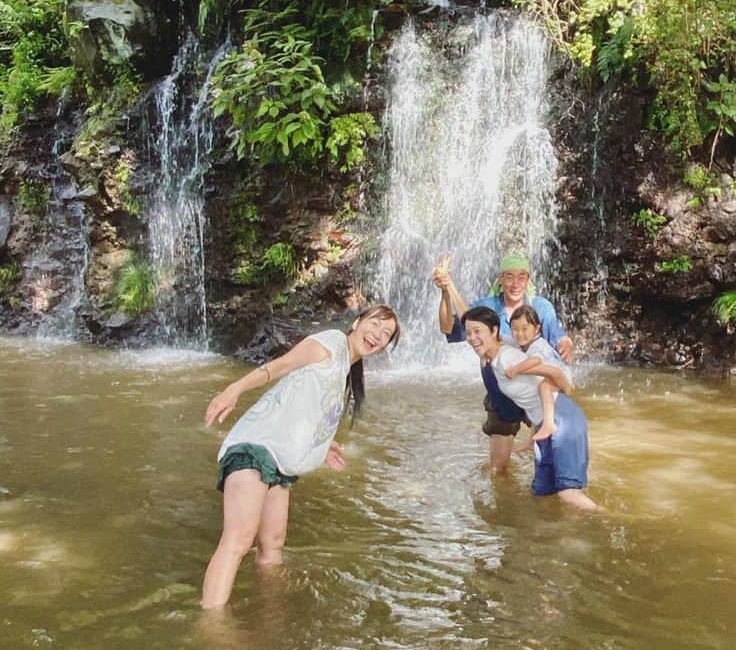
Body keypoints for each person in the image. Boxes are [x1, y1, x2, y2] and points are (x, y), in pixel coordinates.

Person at [200, 305, 400, 608]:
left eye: (386, 335)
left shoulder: (345, 367)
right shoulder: (331, 342)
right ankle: (212, 628)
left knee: (272, 545)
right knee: (237, 541)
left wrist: (321, 444)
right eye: (375, 325)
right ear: (358, 322)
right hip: (254, 448)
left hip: (279, 460)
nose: (377, 336)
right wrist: (234, 389)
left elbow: (307, 403)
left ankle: (271, 615)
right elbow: (282, 366)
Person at [433, 250, 573, 473]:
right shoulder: (489, 306)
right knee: (498, 469)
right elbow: (450, 327)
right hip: (500, 393)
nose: (515, 283)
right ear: (500, 279)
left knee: (552, 466)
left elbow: (556, 337)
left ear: (528, 280)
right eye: (509, 276)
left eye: (521, 276)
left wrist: (566, 342)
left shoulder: (541, 306)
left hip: (534, 393)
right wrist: (447, 290)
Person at [461, 305, 599, 512]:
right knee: (541, 493)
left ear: (495, 331)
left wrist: (565, 384)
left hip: (562, 419)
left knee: (568, 494)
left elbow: (551, 371)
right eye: (468, 332)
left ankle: (616, 520)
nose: (472, 337)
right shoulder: (496, 358)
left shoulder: (508, 357)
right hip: (545, 424)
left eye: (477, 331)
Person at [505, 304, 573, 444]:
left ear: (536, 329)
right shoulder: (520, 342)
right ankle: (532, 442)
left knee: (544, 387)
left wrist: (516, 369)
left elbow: (535, 360)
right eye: (515, 329)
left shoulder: (538, 345)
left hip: (562, 378)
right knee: (536, 397)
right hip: (548, 376)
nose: (519, 333)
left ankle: (549, 424)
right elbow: (503, 339)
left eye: (525, 329)